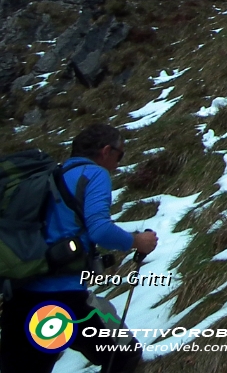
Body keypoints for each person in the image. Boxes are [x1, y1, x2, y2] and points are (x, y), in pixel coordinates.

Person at [0, 123, 157, 373]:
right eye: (120, 155)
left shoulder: (50, 178)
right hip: (63, 298)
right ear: (106, 151)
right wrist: (139, 241)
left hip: (19, 297)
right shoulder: (94, 174)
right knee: (123, 356)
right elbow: (100, 230)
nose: (118, 164)